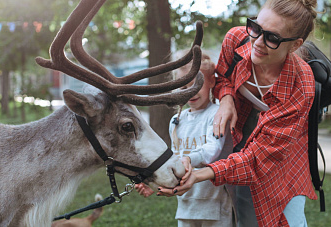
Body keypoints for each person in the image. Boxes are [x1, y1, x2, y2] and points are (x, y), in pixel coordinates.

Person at [158, 0, 319, 226]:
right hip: (240, 139)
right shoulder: (236, 39)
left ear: (294, 45)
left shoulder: (300, 84)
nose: (258, 42)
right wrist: (226, 99)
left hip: (279, 152)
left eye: (272, 38)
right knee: (246, 214)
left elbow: (258, 160)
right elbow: (222, 77)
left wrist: (201, 174)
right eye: (255, 28)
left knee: (285, 215)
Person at [136, 50, 234, 227]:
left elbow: (213, 150)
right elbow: (175, 160)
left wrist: (189, 158)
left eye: (196, 84)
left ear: (211, 80)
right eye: (183, 87)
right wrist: (154, 182)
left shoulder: (217, 114)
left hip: (216, 206)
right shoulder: (176, 121)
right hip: (186, 205)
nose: (191, 91)